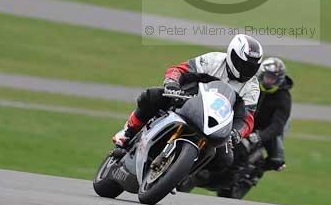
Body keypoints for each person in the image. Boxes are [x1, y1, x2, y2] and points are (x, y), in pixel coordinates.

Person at [111, 34, 263, 177]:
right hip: (188, 101)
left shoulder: (252, 87)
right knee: (151, 96)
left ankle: (180, 174)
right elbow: (179, 70)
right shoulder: (213, 60)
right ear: (232, 56)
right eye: (244, 64)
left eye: (252, 67)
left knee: (225, 159)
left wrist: (237, 133)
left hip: (215, 123)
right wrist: (172, 83)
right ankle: (127, 133)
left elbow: (247, 119)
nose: (247, 70)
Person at [236, 56, 292, 172]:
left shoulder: (284, 97)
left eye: (273, 78)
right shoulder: (252, 85)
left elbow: (277, 125)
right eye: (267, 76)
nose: (269, 80)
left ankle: (254, 172)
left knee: (277, 161)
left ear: (279, 79)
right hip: (244, 122)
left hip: (265, 129)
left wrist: (260, 136)